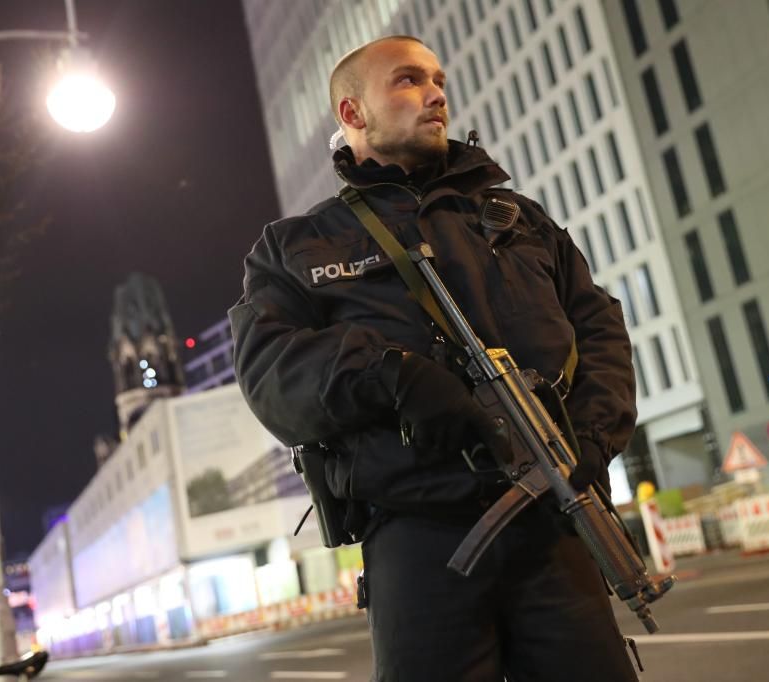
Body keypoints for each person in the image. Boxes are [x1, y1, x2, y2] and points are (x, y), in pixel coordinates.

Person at [230, 35, 639, 682]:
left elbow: (601, 332)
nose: (436, 93)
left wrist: (591, 436)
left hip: (555, 521)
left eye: (438, 79)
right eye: (408, 80)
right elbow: (269, 371)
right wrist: (393, 376)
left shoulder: (520, 220)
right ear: (352, 114)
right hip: (420, 540)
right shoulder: (297, 246)